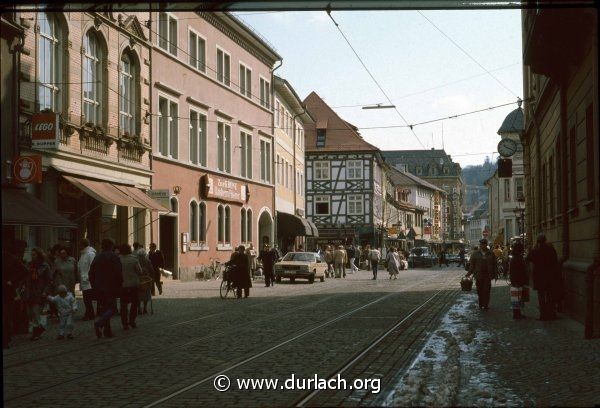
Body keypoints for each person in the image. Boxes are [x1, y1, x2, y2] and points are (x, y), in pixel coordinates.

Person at [89, 238, 123, 338]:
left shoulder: (97, 257)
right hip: (110, 287)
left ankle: (107, 331)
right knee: (113, 309)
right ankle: (99, 323)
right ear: (111, 246)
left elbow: (91, 274)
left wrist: (94, 286)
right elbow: (118, 273)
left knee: (105, 309)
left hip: (99, 288)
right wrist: (119, 286)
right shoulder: (113, 257)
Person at [527, 233, 561, 321]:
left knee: (541, 297)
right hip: (550, 276)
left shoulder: (535, 251)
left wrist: (534, 248)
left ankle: (543, 315)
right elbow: (555, 262)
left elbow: (528, 258)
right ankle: (552, 314)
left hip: (539, 277)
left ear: (538, 242)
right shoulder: (551, 249)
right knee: (550, 296)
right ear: (545, 240)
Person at [2, 240, 28, 348]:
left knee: (6, 316)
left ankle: (6, 339)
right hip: (7, 291)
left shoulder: (12, 259)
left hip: (7, 292)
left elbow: (24, 271)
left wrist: (12, 281)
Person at [25, 247, 53, 341]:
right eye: (31, 255)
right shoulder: (29, 265)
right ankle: (40, 328)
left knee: (36, 312)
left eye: (34, 255)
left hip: (39, 292)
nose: (32, 256)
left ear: (39, 255)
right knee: (30, 313)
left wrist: (45, 291)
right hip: (29, 291)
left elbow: (49, 281)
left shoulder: (45, 266)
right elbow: (26, 278)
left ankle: (35, 333)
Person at [466, 238, 496, 310]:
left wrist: (495, 274)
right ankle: (480, 304)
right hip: (478, 275)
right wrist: (469, 273)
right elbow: (472, 265)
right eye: (481, 244)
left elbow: (494, 264)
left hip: (487, 275)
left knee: (486, 290)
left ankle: (485, 305)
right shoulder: (475, 254)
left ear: (486, 245)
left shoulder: (491, 253)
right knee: (479, 290)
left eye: (484, 244)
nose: (482, 246)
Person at [118, 243, 142, 330]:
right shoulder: (134, 259)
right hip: (133, 285)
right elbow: (140, 271)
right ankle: (132, 321)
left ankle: (124, 323)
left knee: (123, 305)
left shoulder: (118, 259)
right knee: (134, 304)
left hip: (122, 285)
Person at [78, 239, 97, 321]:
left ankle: (90, 314)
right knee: (86, 299)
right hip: (84, 280)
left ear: (83, 245)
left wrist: (88, 277)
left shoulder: (90, 254)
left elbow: (93, 267)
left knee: (87, 299)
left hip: (88, 280)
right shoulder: (83, 254)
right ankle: (89, 313)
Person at [133, 243, 154, 315]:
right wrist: (151, 276)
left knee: (138, 294)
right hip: (147, 279)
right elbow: (151, 270)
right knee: (146, 294)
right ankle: (144, 308)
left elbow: (135, 270)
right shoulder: (148, 261)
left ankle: (139, 308)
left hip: (139, 279)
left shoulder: (136, 261)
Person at [508, 242, 528, 319]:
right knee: (516, 297)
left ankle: (517, 313)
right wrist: (515, 281)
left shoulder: (516, 257)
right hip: (517, 280)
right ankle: (516, 314)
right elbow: (515, 271)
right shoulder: (516, 258)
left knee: (517, 297)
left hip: (517, 280)